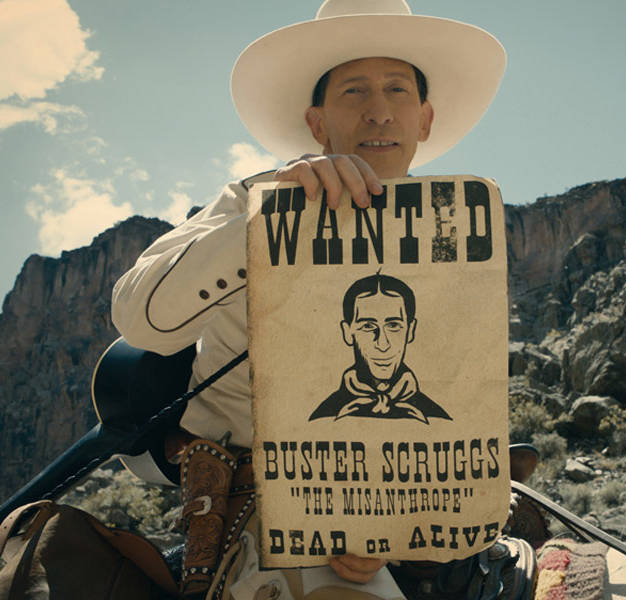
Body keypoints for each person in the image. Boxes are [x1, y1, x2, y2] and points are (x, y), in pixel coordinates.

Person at [112, 0, 512, 597]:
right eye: (354, 91)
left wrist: (399, 528)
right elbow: (140, 318)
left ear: (424, 118)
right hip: (256, 505)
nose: (380, 111)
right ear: (317, 122)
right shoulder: (248, 200)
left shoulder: (456, 237)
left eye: (397, 90)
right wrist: (271, 218)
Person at [309, 273, 452, 424]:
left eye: (393, 325)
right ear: (347, 332)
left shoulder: (437, 417)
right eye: (368, 326)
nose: (382, 344)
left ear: (410, 331)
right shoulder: (323, 417)